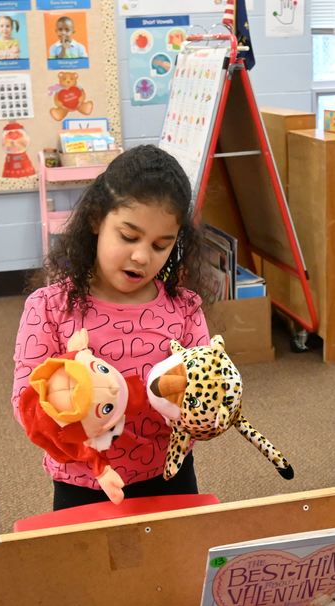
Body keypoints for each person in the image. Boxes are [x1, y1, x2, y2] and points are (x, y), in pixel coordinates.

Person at [11, 145, 211, 510]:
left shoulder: (184, 309)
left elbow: (206, 390)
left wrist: (208, 408)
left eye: (160, 245)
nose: (141, 256)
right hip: (83, 481)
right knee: (90, 566)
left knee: (176, 563)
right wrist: (75, 403)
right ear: (96, 220)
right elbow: (26, 405)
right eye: (129, 236)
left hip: (169, 474)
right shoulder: (49, 307)